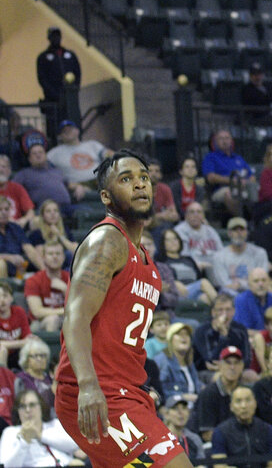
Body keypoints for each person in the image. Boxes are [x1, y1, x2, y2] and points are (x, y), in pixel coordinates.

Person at [53, 148, 193, 467]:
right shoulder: (107, 241)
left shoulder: (146, 260)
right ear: (106, 196)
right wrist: (88, 387)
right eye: (126, 179)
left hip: (129, 392)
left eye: (144, 177)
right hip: (97, 392)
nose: (140, 184)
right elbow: (74, 319)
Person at [0, 389, 82, 467]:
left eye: (32, 405)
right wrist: (24, 443)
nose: (28, 410)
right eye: (22, 406)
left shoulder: (55, 424)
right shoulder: (10, 432)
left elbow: (74, 445)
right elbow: (6, 465)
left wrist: (40, 435)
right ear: (17, 411)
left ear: (41, 407)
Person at [210, 385, 272, 468]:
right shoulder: (220, 432)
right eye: (238, 401)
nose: (244, 406)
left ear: (255, 403)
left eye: (248, 400)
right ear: (231, 407)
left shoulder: (267, 429)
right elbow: (219, 465)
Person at [191, 346, 247, 442]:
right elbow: (207, 434)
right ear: (220, 366)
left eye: (236, 363)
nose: (232, 367)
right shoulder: (207, 394)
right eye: (228, 363)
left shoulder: (245, 393)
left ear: (242, 366)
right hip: (215, 447)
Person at [36, 27, 81, 143]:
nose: (56, 39)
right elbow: (42, 79)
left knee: (73, 123)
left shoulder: (70, 55)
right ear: (49, 38)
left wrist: (74, 90)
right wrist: (54, 94)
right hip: (53, 100)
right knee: (54, 127)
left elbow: (77, 73)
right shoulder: (43, 58)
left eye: (58, 36)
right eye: (53, 36)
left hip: (70, 100)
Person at [193, 293, 252, 375]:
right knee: (218, 376)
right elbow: (211, 360)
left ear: (233, 311)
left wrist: (230, 367)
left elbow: (247, 359)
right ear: (213, 312)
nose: (224, 314)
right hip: (207, 372)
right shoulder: (202, 331)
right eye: (220, 310)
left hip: (235, 369)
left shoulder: (240, 330)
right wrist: (223, 336)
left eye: (228, 310)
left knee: (250, 375)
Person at [209, 217, 270, 295]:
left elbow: (262, 279)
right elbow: (224, 284)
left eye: (242, 229)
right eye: (235, 230)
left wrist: (241, 285)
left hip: (255, 292)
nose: (239, 233)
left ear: (247, 232)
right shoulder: (219, 256)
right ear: (229, 233)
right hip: (230, 295)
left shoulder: (259, 253)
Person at [201, 130, 255, 219]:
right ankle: (241, 222)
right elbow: (211, 178)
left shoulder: (238, 158)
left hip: (244, 186)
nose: (224, 141)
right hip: (223, 188)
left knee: (259, 190)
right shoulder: (210, 157)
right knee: (231, 194)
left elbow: (252, 176)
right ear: (215, 142)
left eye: (227, 138)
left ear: (231, 141)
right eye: (221, 139)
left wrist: (247, 181)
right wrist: (233, 181)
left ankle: (256, 221)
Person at [157, 228, 217, 305]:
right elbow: (163, 280)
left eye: (175, 239)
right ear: (163, 244)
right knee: (204, 282)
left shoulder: (188, 259)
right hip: (178, 292)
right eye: (168, 240)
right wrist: (174, 282)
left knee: (205, 298)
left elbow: (198, 277)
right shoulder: (162, 261)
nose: (173, 242)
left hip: (195, 290)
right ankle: (221, 305)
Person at [46, 120, 113, 189]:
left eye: (70, 129)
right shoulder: (55, 153)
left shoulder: (92, 145)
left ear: (77, 131)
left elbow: (109, 154)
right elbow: (42, 165)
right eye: (64, 131)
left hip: (99, 180)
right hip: (78, 185)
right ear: (60, 136)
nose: (67, 132)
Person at [12, 144, 77, 211]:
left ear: (46, 156)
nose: (38, 155)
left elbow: (69, 184)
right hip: (43, 210)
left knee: (85, 211)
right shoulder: (24, 173)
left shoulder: (57, 171)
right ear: (29, 159)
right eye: (34, 153)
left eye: (40, 152)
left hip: (66, 207)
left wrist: (78, 187)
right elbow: (11, 188)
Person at [233, 268, 272, 335]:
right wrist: (268, 336)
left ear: (269, 282)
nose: (261, 284)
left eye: (264, 280)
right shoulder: (241, 300)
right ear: (249, 285)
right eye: (256, 281)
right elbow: (242, 331)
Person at [23, 240, 68, 333]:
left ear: (63, 257)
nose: (55, 257)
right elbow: (37, 312)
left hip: (66, 319)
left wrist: (66, 289)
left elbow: (79, 307)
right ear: (43, 258)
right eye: (50, 254)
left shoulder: (71, 278)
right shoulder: (33, 280)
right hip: (39, 323)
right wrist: (64, 311)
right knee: (53, 320)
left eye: (58, 253)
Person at [154, 322, 202, 407]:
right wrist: (183, 396)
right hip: (173, 411)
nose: (184, 337)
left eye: (186, 334)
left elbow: (197, 386)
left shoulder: (189, 363)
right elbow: (159, 390)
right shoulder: (162, 360)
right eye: (179, 334)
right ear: (170, 339)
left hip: (192, 411)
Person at [27, 199, 77, 269]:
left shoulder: (66, 230)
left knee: (69, 256)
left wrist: (60, 236)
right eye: (48, 211)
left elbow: (76, 250)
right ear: (43, 215)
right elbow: (40, 256)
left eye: (55, 211)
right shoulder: (37, 233)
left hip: (66, 268)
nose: (52, 213)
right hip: (47, 269)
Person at [161, 393, 205, 461]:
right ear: (166, 414)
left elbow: (202, 464)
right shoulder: (158, 439)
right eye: (175, 408)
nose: (180, 412)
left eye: (184, 408)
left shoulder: (194, 439)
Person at [0, 280, 33, 368]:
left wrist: (25, 342)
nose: (2, 300)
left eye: (5, 296)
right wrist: (22, 342)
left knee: (33, 346)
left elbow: (28, 338)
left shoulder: (19, 311)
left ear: (11, 298)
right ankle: (4, 380)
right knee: (2, 350)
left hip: (17, 352)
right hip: (3, 353)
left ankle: (31, 380)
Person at [15, 339, 54, 409]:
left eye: (42, 356)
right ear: (26, 359)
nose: (39, 359)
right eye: (35, 356)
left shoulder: (50, 379)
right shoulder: (21, 380)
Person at [0, 197, 33, 279]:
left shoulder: (15, 228)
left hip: (19, 268)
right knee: (1, 264)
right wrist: (8, 257)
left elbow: (29, 249)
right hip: (3, 267)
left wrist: (44, 269)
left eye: (6, 209)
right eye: (0, 209)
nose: (4, 212)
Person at [0, 154, 35, 229]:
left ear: (9, 171)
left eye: (3, 167)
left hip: (17, 227)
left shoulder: (17, 188)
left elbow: (30, 211)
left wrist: (23, 220)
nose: (1, 170)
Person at [148, 161, 181, 228]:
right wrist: (161, 215)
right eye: (150, 171)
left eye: (157, 171)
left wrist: (159, 216)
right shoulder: (139, 190)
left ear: (161, 175)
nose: (153, 174)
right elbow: (144, 219)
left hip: (162, 225)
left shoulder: (165, 188)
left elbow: (174, 214)